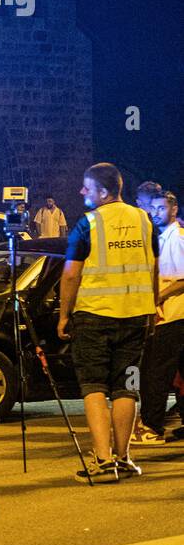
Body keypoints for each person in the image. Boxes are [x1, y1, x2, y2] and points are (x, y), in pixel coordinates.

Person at [57, 163, 159, 483]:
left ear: (103, 191)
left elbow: (71, 273)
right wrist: (152, 306)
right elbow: (153, 266)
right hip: (136, 315)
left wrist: (63, 315)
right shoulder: (144, 219)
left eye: (87, 187)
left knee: (94, 386)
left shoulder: (87, 223)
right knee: (126, 387)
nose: (82, 192)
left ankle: (102, 460)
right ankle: (124, 457)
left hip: (95, 315)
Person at [132, 191, 184, 446]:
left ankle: (152, 426)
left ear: (174, 210)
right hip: (169, 315)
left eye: (161, 208)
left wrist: (156, 297)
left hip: (174, 315)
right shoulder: (162, 237)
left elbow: (181, 279)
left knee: (157, 373)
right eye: (153, 208)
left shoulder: (179, 237)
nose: (156, 212)